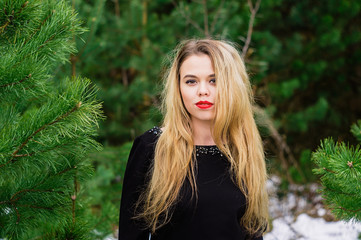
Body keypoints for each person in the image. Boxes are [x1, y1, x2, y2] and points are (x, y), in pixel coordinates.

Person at [118, 39, 268, 240]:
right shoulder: (153, 146)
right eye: (191, 81)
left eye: (214, 80)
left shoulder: (243, 148)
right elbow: (131, 235)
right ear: (178, 87)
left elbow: (252, 232)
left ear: (232, 86)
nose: (202, 91)